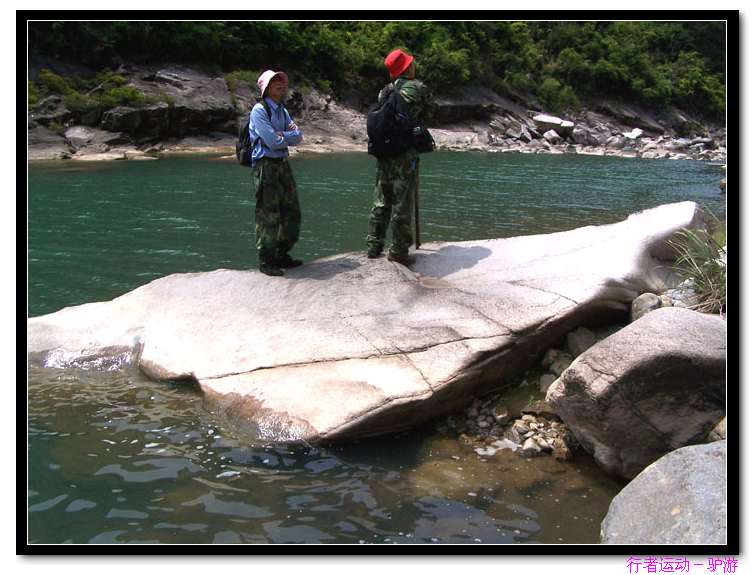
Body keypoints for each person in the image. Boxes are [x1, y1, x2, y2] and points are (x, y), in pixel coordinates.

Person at [366, 49, 434, 266]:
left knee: (381, 199)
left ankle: (373, 245)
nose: (415, 66)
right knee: (401, 202)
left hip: (384, 152)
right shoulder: (418, 88)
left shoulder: (384, 91)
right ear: (407, 68)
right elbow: (431, 112)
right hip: (405, 154)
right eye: (412, 64)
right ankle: (398, 251)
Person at [249, 69, 303, 276]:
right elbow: (271, 141)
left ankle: (281, 253)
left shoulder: (282, 110)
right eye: (275, 81)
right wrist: (284, 138)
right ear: (266, 87)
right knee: (268, 214)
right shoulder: (259, 110)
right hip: (265, 165)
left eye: (282, 80)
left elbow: (298, 137)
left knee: (292, 212)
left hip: (281, 163)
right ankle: (266, 259)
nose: (280, 84)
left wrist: (283, 136)